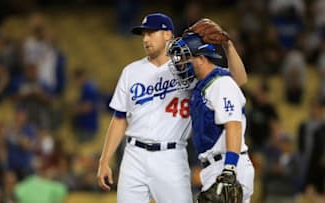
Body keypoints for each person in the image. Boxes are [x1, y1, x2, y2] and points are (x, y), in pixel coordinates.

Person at [97, 13, 248, 203]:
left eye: (151, 33)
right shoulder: (131, 71)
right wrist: (104, 160)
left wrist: (228, 46)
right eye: (143, 35)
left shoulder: (187, 66)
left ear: (168, 34)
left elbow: (238, 80)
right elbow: (120, 118)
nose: (146, 39)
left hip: (171, 154)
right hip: (133, 153)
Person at [167, 32, 254, 202]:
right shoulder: (203, 84)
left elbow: (233, 125)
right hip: (215, 167)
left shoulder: (221, 83)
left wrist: (229, 169)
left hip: (228, 164)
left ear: (200, 58)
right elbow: (241, 79)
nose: (181, 65)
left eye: (185, 59)